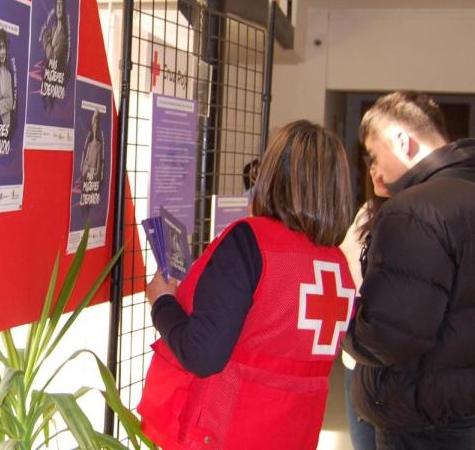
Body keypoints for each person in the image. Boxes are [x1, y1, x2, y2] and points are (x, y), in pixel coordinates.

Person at [343, 91, 475, 449]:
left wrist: (344, 324)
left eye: (374, 155)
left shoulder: (411, 211)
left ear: (402, 142)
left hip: (418, 412)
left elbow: (388, 338)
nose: (375, 170)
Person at [137, 120, 355, 449]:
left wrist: (162, 303)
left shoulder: (249, 242)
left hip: (224, 433)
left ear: (271, 176)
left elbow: (202, 355)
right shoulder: (337, 265)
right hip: (294, 435)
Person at [338, 161, 390, 450]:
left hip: (392, 362)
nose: (375, 169)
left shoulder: (417, 215)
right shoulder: (367, 213)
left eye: (382, 159)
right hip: (357, 357)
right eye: (371, 161)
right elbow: (342, 263)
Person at [41, 0, 70, 74]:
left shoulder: (64, 35)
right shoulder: (53, 27)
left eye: (61, 3)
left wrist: (48, 43)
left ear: (64, 6)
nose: (59, 7)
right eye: (57, 3)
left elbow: (52, 57)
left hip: (56, 79)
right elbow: (44, 36)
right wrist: (50, 44)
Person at [81, 110, 104, 183]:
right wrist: (86, 168)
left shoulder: (99, 145)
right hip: (87, 170)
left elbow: (98, 161)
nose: (95, 128)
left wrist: (96, 172)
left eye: (96, 125)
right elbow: (86, 159)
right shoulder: (89, 144)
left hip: (94, 172)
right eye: (94, 125)